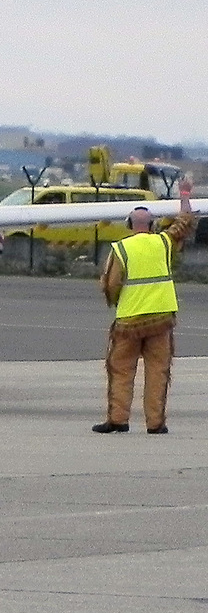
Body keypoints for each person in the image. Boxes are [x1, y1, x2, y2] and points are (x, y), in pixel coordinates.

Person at [93, 177, 194, 434]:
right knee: (158, 372)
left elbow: (111, 284)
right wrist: (184, 193)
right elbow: (185, 223)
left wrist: (114, 301)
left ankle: (118, 419)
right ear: (152, 225)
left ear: (129, 225)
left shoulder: (121, 249)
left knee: (120, 370)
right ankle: (155, 423)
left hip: (128, 322)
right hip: (161, 320)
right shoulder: (163, 242)